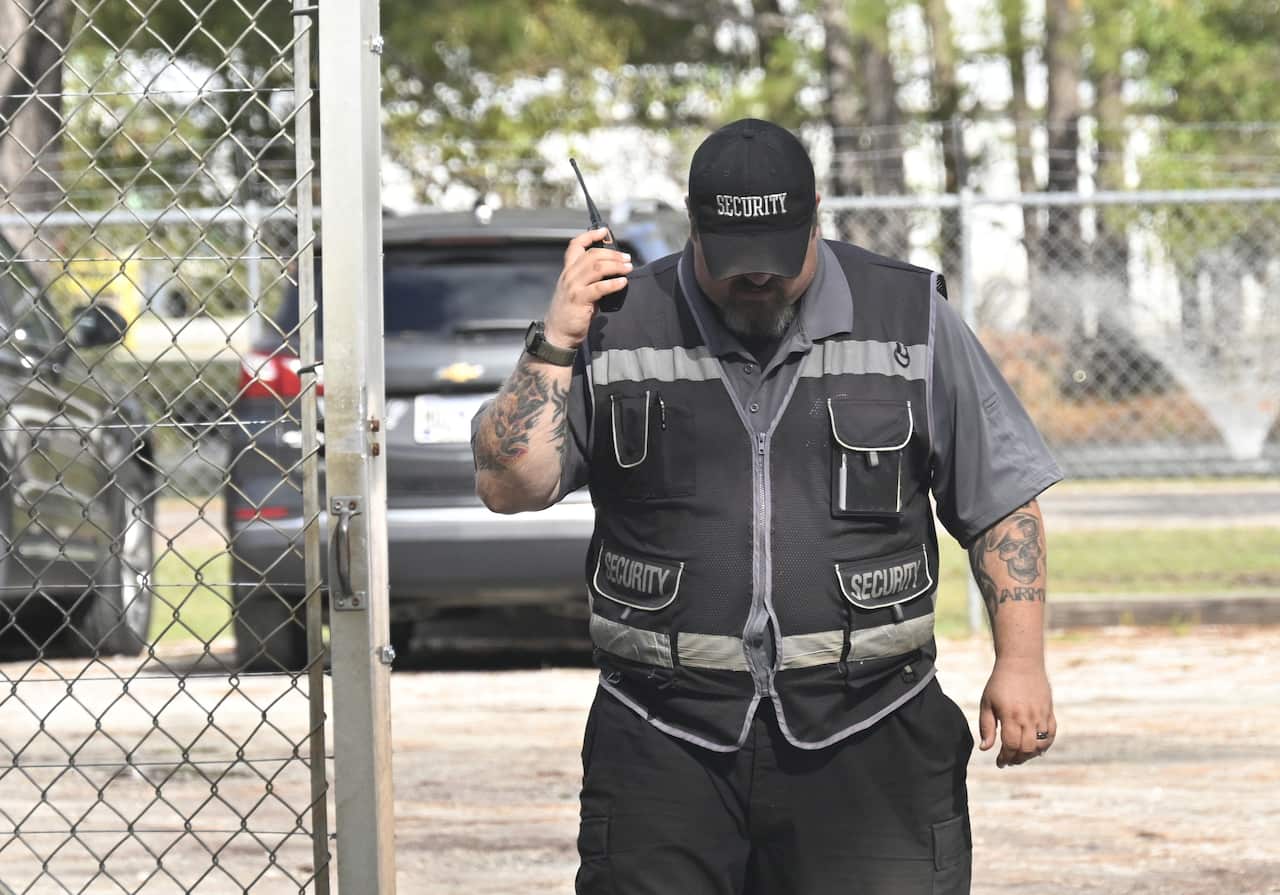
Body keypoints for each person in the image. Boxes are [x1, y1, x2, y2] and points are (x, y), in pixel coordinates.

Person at [471, 118, 1062, 895]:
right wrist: (554, 341)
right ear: (695, 226)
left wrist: (1021, 661)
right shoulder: (617, 323)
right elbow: (510, 486)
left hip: (873, 729)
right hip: (661, 736)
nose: (758, 281)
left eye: (777, 262)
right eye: (735, 265)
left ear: (815, 212)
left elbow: (1001, 499)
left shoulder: (908, 317)